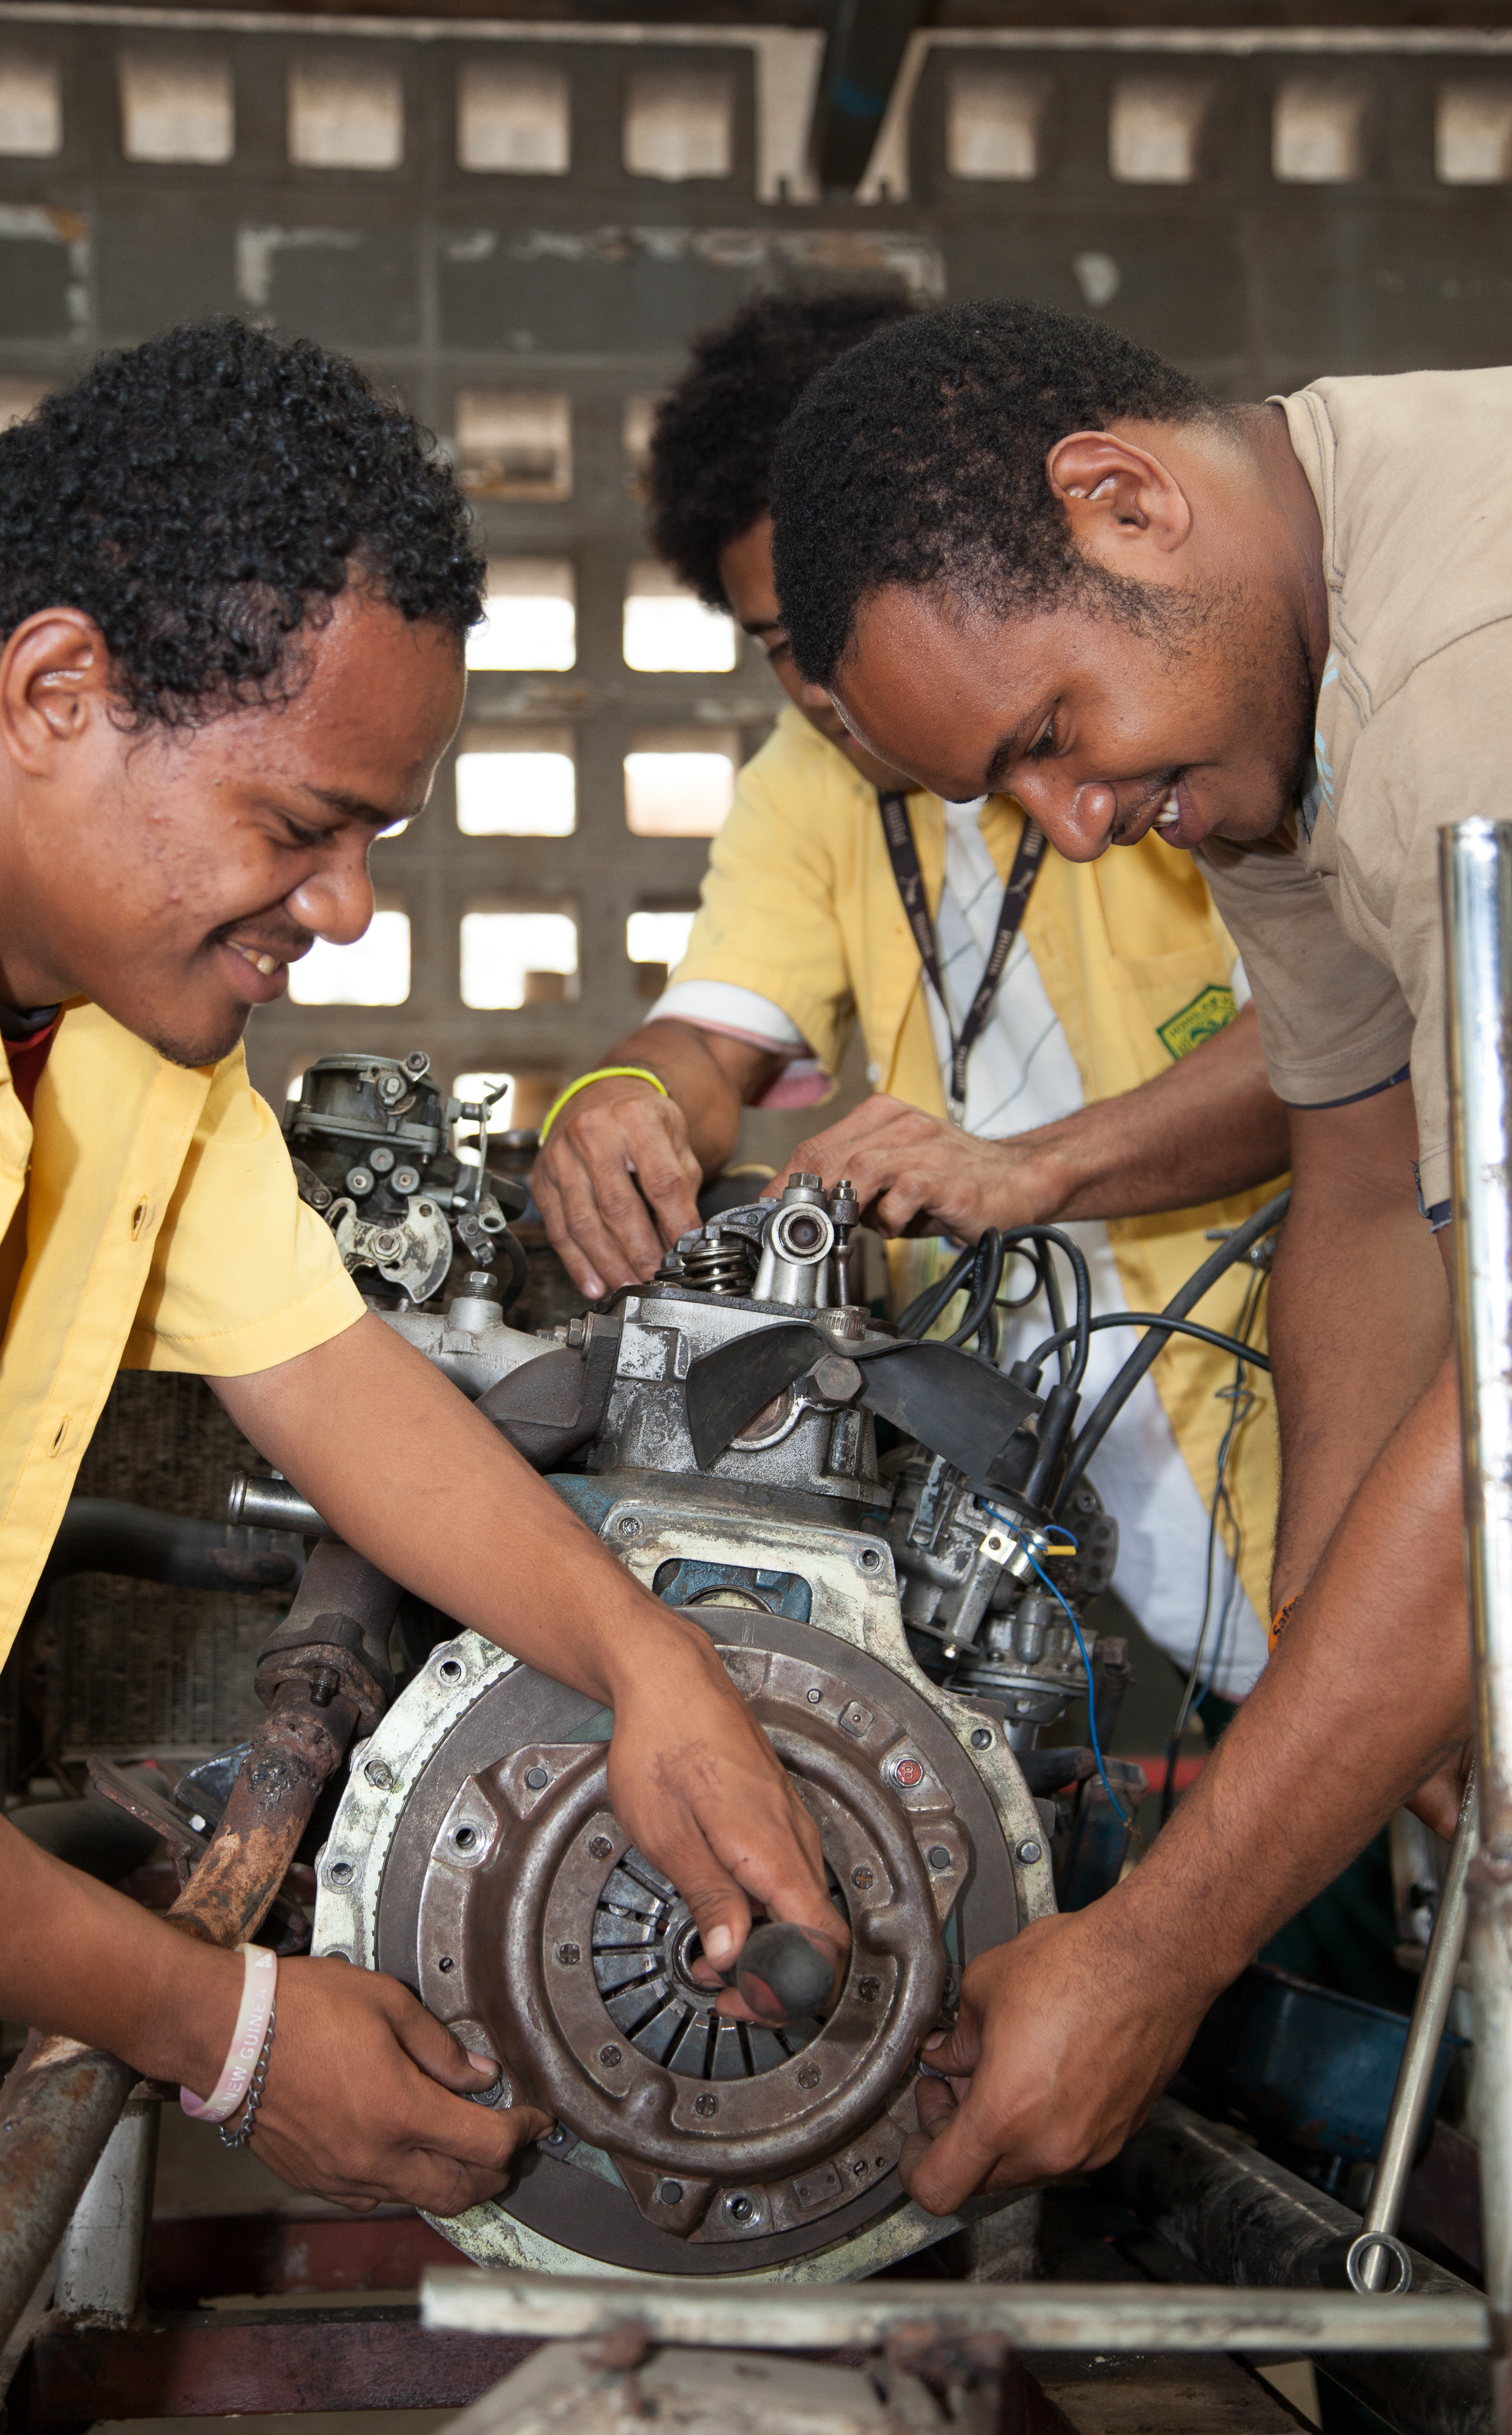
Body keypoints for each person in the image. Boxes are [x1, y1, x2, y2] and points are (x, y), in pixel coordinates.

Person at [0, 318, 844, 2220]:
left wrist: (651, 1666)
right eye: (303, 828)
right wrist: (217, 2027)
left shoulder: (121, 1016)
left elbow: (319, 1370)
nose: (343, 909)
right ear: (59, 688)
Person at [767, 295, 1481, 2213]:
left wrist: (1163, 1949)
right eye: (1007, 791)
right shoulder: (1281, 690)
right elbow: (1355, 1179)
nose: (1076, 830)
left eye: (1051, 737)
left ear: (1123, 502)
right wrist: (1367, 1676)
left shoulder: (1454, 687)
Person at [533, 288, 1291, 1704]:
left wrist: (1024, 1170)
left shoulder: (1162, 723)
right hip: (1059, 1521)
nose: (834, 689)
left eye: (853, 630)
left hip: (1297, 1433)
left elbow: (1339, 1053)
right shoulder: (802, 785)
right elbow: (709, 1036)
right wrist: (619, 1098)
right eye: (780, 642)